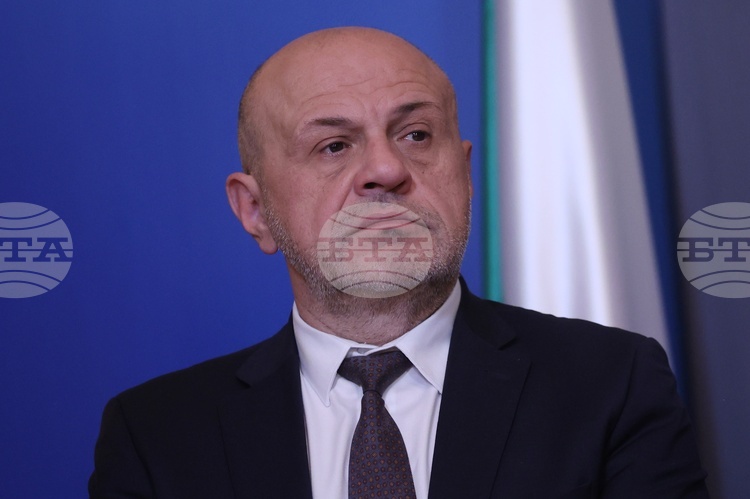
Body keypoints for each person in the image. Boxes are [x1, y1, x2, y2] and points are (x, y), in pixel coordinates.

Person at [89, 27, 709, 498]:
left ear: (464, 174)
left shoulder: (610, 384)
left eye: (416, 135)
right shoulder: (156, 435)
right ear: (255, 211)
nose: (386, 169)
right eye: (333, 145)